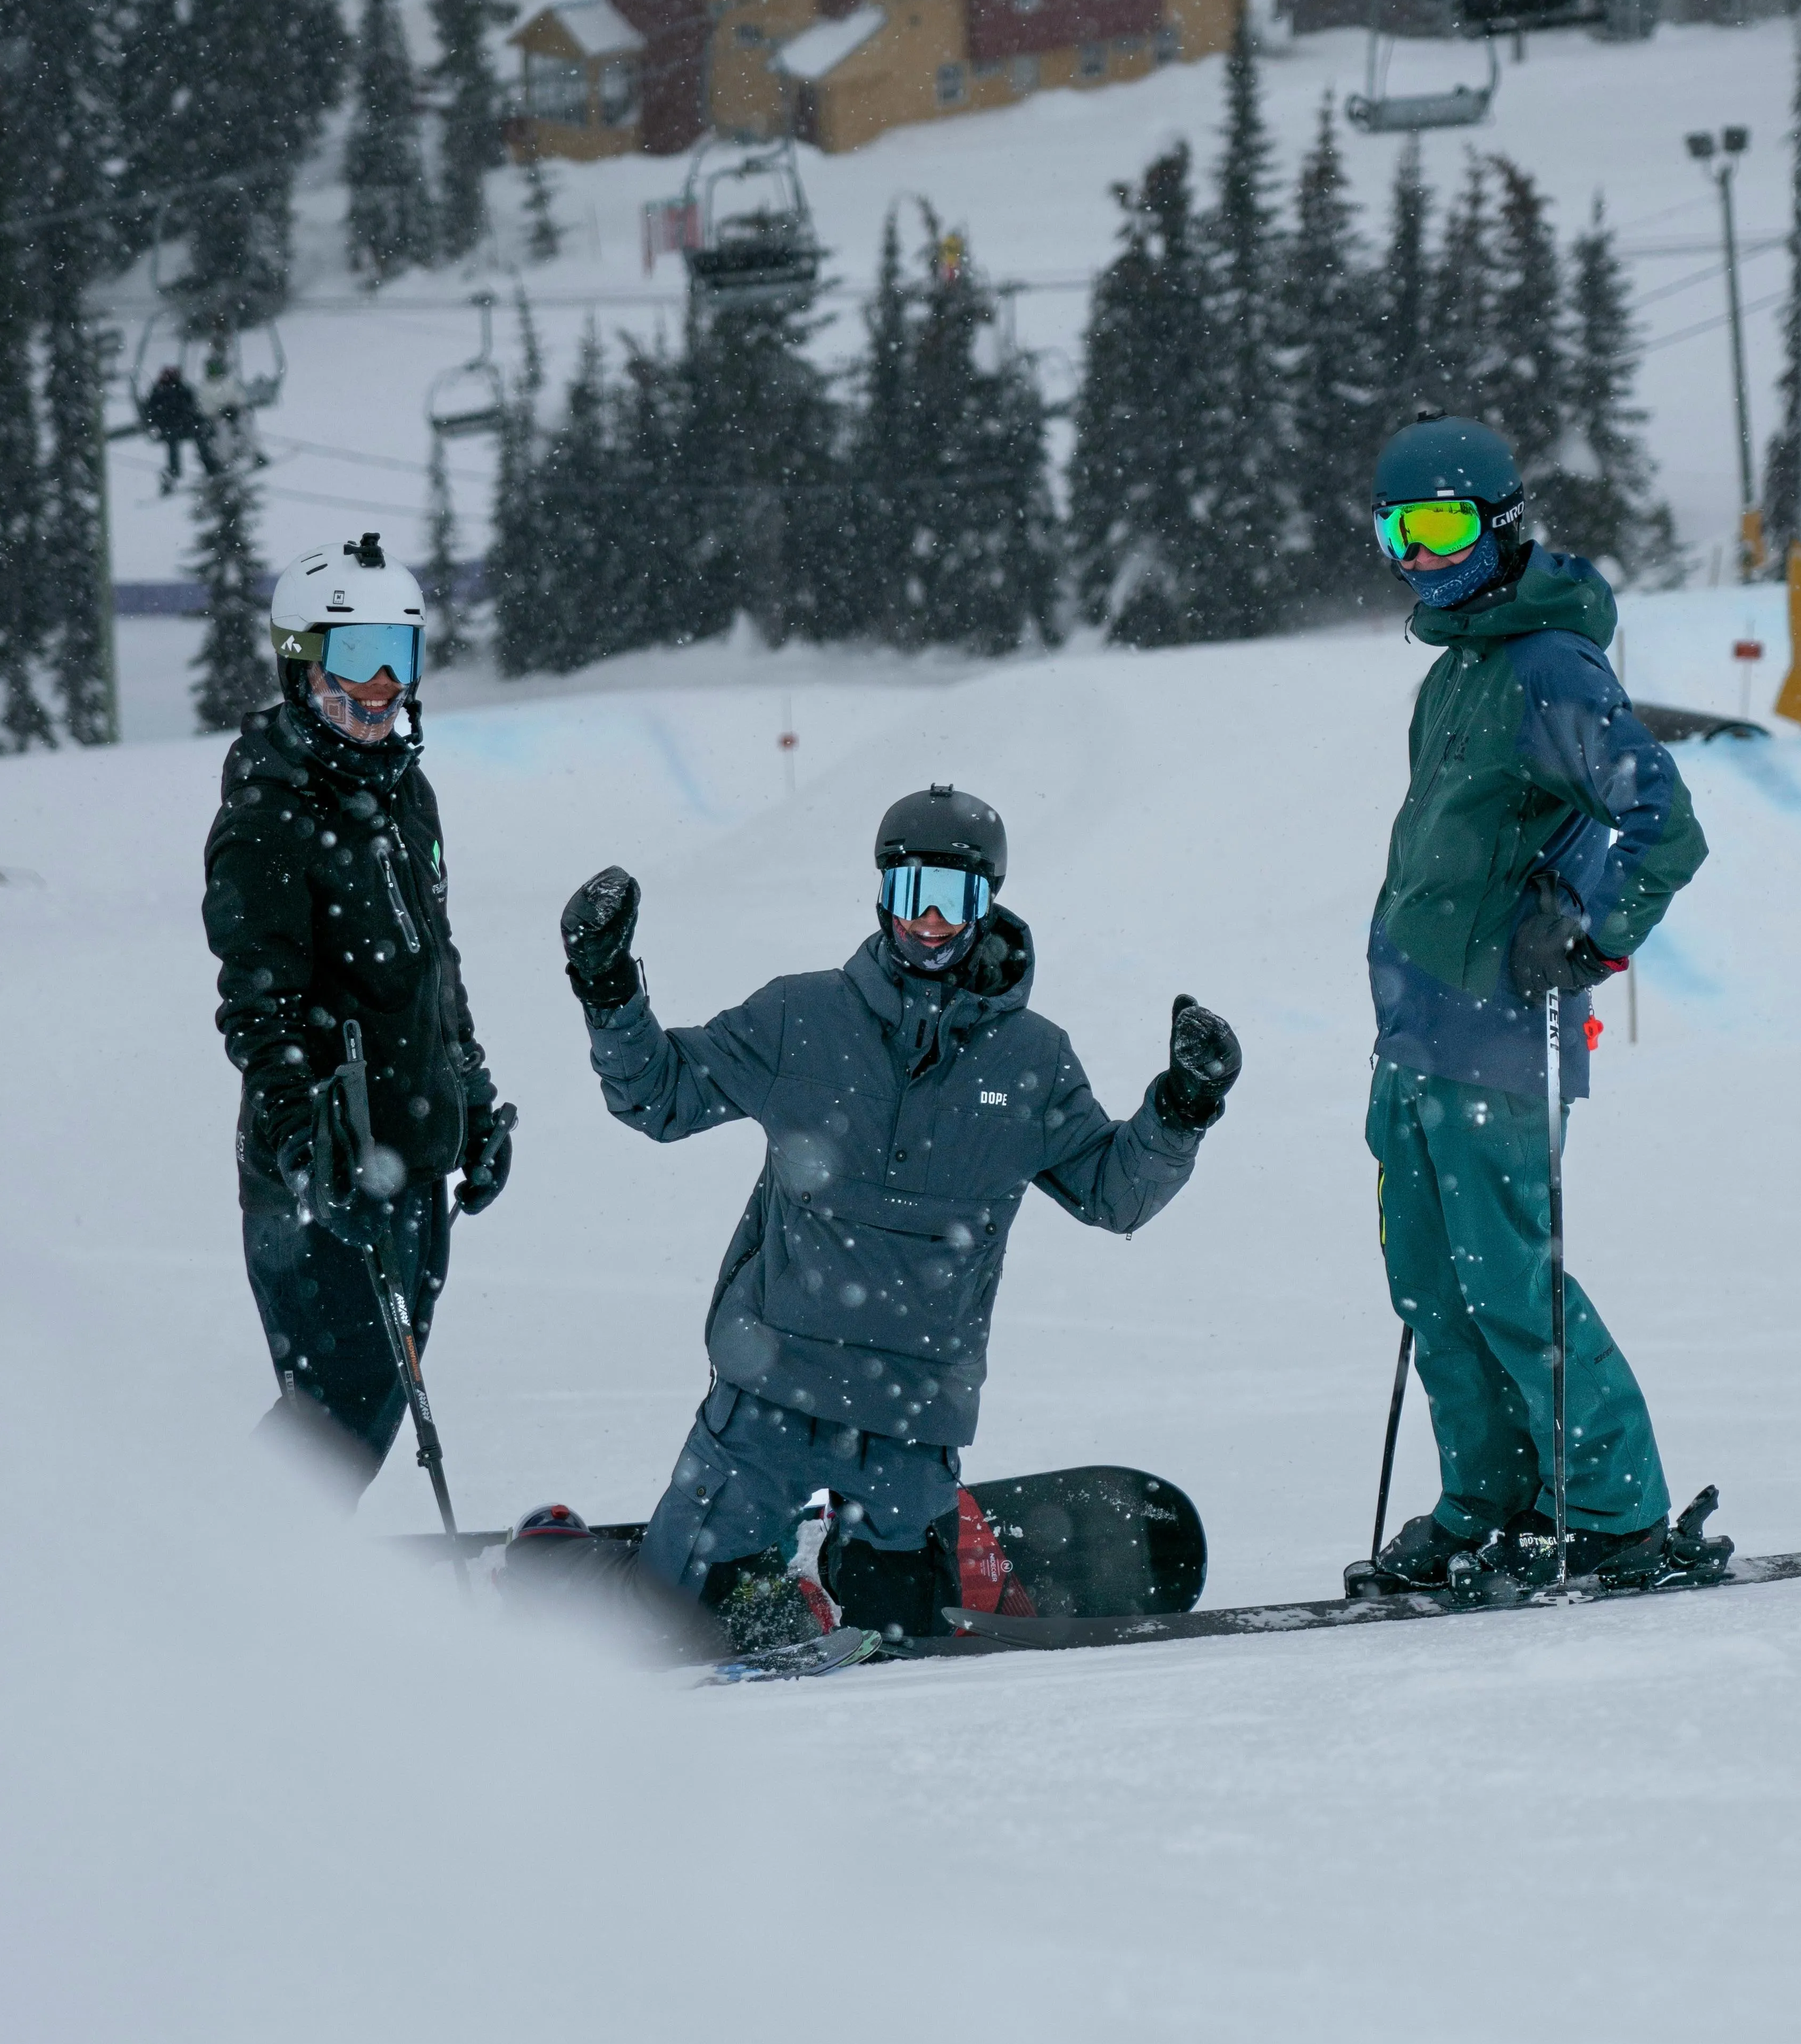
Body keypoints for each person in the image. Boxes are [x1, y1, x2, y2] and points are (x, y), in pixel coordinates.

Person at [560, 785, 1241, 1645]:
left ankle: (820, 1577)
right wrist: (607, 985)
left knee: (901, 1647)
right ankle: (569, 1562)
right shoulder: (801, 1019)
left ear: (985, 905)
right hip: (769, 1391)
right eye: (909, 891)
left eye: (951, 898)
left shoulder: (1029, 1064)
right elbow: (659, 1096)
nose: (927, 922)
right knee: (659, 1629)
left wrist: (1181, 1108)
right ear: (882, 893)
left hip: (910, 1417)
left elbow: (1114, 1193)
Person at [1364, 414, 1709, 1591]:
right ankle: (1492, 1499)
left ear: (1502, 524)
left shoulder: (1547, 666)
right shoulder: (1454, 674)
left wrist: (1590, 933)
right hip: (1414, 1034)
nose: (1424, 556)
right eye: (1401, 533)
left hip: (1500, 1038)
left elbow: (1667, 828)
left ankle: (1613, 1508)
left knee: (1507, 1279)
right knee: (1430, 1285)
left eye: (1446, 525)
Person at [202, 534, 513, 1493]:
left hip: (411, 1161)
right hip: (328, 1171)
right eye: (351, 660)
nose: (377, 687)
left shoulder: (404, 792)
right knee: (338, 1412)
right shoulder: (270, 809)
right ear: (301, 667)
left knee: (368, 1408)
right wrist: (307, 1148)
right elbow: (259, 1004)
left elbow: (433, 968)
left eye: (399, 656)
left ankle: (262, 1576)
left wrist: (470, 1099)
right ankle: (219, 1580)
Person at [139, 363, 217, 491]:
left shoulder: (183, 389)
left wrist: (194, 418)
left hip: (184, 425)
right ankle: (174, 473)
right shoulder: (159, 392)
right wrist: (162, 421)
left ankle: (209, 464)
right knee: (173, 438)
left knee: (199, 432)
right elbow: (152, 412)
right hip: (169, 427)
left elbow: (194, 407)